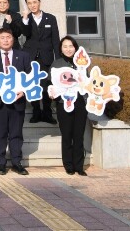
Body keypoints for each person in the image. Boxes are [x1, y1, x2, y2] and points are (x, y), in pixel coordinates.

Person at [0, 28, 32, 176]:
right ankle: (1, 164)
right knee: (0, 134)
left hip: (17, 101)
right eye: (2, 37)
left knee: (16, 133)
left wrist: (24, 91)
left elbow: (31, 77)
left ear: (13, 39)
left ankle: (17, 162)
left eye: (8, 37)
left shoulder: (23, 56)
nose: (5, 40)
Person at [49, 36, 88, 176]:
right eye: (65, 46)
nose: (68, 49)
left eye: (71, 46)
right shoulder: (56, 64)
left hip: (80, 102)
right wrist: (52, 93)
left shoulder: (82, 63)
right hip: (63, 103)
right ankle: (68, 165)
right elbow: (51, 83)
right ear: (61, 49)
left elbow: (88, 82)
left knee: (79, 135)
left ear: (75, 47)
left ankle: (79, 166)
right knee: (67, 135)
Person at [22, 0, 61, 125]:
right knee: (33, 85)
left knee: (46, 85)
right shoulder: (26, 19)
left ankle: (47, 113)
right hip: (31, 57)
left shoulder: (51, 18)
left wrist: (58, 60)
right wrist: (25, 19)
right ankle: (36, 112)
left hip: (46, 57)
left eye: (34, 2)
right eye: (29, 3)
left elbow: (55, 40)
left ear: (39, 2)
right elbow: (26, 33)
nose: (32, 5)